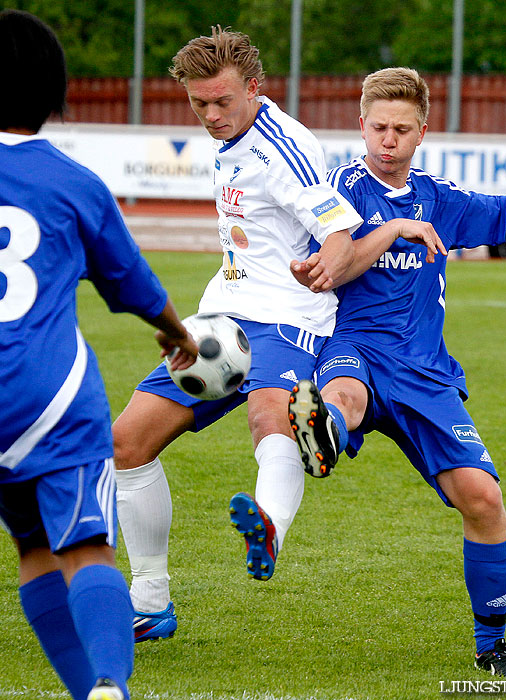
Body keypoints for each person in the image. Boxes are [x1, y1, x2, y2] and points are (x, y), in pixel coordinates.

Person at [287, 67, 506, 677]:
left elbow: (505, 212)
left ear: (422, 131)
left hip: (426, 374)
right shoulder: (336, 193)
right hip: (355, 349)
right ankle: (321, 432)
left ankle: (493, 645)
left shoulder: (438, 195)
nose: (388, 140)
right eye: (378, 128)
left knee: (483, 499)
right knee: (342, 396)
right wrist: (394, 230)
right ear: (361, 126)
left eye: (401, 129)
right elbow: (333, 267)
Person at [111, 25, 366, 642]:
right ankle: (149, 604)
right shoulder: (231, 135)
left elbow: (337, 226)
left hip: (287, 315)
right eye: (199, 104)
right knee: (124, 446)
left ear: (255, 87)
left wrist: (328, 261)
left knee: (269, 419)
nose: (211, 115)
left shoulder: (282, 144)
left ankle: (269, 528)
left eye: (223, 101)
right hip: (220, 319)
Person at [0, 10, 197, 700]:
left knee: (31, 551)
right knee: (83, 550)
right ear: (56, 94)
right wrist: (177, 333)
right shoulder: (72, 182)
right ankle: (108, 684)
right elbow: (133, 285)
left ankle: (89, 691)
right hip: (48, 393)